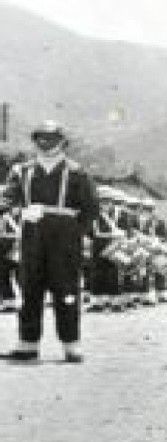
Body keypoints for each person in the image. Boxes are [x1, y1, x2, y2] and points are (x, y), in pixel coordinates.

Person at [1, 120, 99, 362]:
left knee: (66, 290)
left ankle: (71, 345)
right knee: (30, 288)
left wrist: (75, 232)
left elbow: (91, 208)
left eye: (52, 138)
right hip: (32, 236)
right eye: (41, 138)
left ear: (63, 142)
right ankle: (28, 344)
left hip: (64, 238)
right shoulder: (22, 171)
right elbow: (8, 200)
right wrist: (19, 211)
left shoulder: (77, 173)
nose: (46, 143)